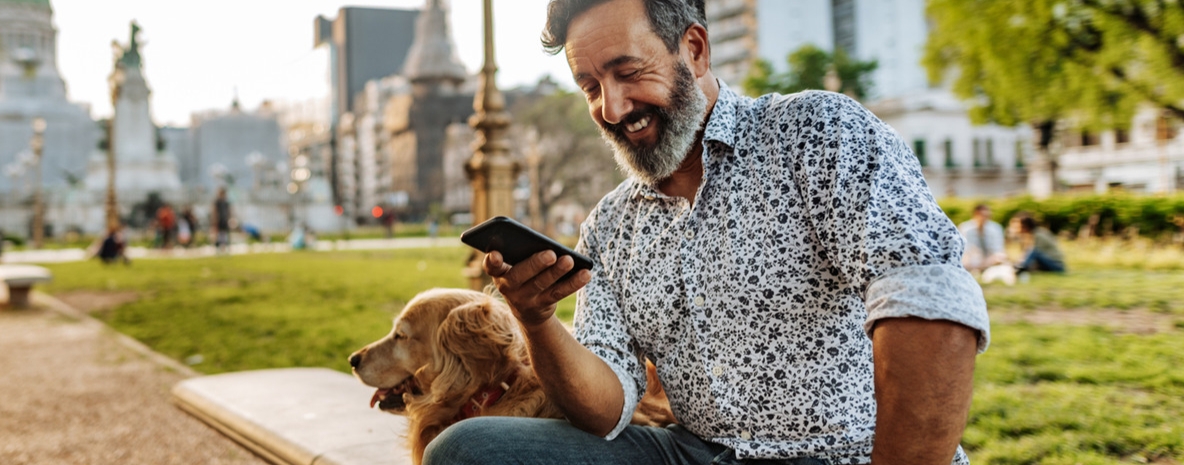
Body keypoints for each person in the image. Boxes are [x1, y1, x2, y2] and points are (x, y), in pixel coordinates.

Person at [427, 1, 990, 464]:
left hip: (840, 454)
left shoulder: (817, 134)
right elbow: (606, 409)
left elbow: (928, 300)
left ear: (693, 50)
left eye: (627, 72)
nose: (612, 106)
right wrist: (537, 320)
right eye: (590, 86)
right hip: (692, 453)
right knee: (466, 449)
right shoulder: (610, 224)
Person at [958, 203, 1007, 274]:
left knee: (1000, 257)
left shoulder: (996, 228)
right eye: (982, 215)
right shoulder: (965, 228)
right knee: (965, 260)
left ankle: (980, 268)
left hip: (990, 257)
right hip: (972, 257)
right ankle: (979, 268)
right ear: (975, 215)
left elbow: (998, 248)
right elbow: (965, 249)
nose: (984, 218)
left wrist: (988, 260)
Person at [212, 188, 234, 254]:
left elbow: (229, 211)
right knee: (218, 235)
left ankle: (227, 248)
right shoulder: (217, 202)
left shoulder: (226, 202)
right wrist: (214, 220)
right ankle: (218, 249)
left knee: (226, 235)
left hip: (225, 220)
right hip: (219, 220)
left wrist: (230, 219)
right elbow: (215, 211)